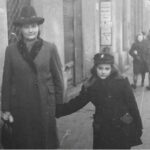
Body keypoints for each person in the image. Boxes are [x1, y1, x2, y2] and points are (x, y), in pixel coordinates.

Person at [1, 6, 64, 149]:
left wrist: (59, 104)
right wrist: (5, 108)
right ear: (20, 29)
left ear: (38, 27)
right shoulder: (11, 50)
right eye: (26, 27)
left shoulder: (49, 48)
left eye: (34, 26)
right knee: (25, 141)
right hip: (21, 105)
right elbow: (6, 81)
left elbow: (58, 79)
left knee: (45, 141)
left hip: (44, 103)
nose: (31, 30)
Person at [56, 53, 143, 149]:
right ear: (95, 68)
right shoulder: (91, 85)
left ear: (112, 69)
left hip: (122, 125)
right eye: (100, 68)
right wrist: (58, 111)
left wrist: (138, 126)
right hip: (102, 127)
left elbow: (132, 105)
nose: (103, 72)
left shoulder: (122, 82)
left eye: (107, 69)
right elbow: (77, 102)